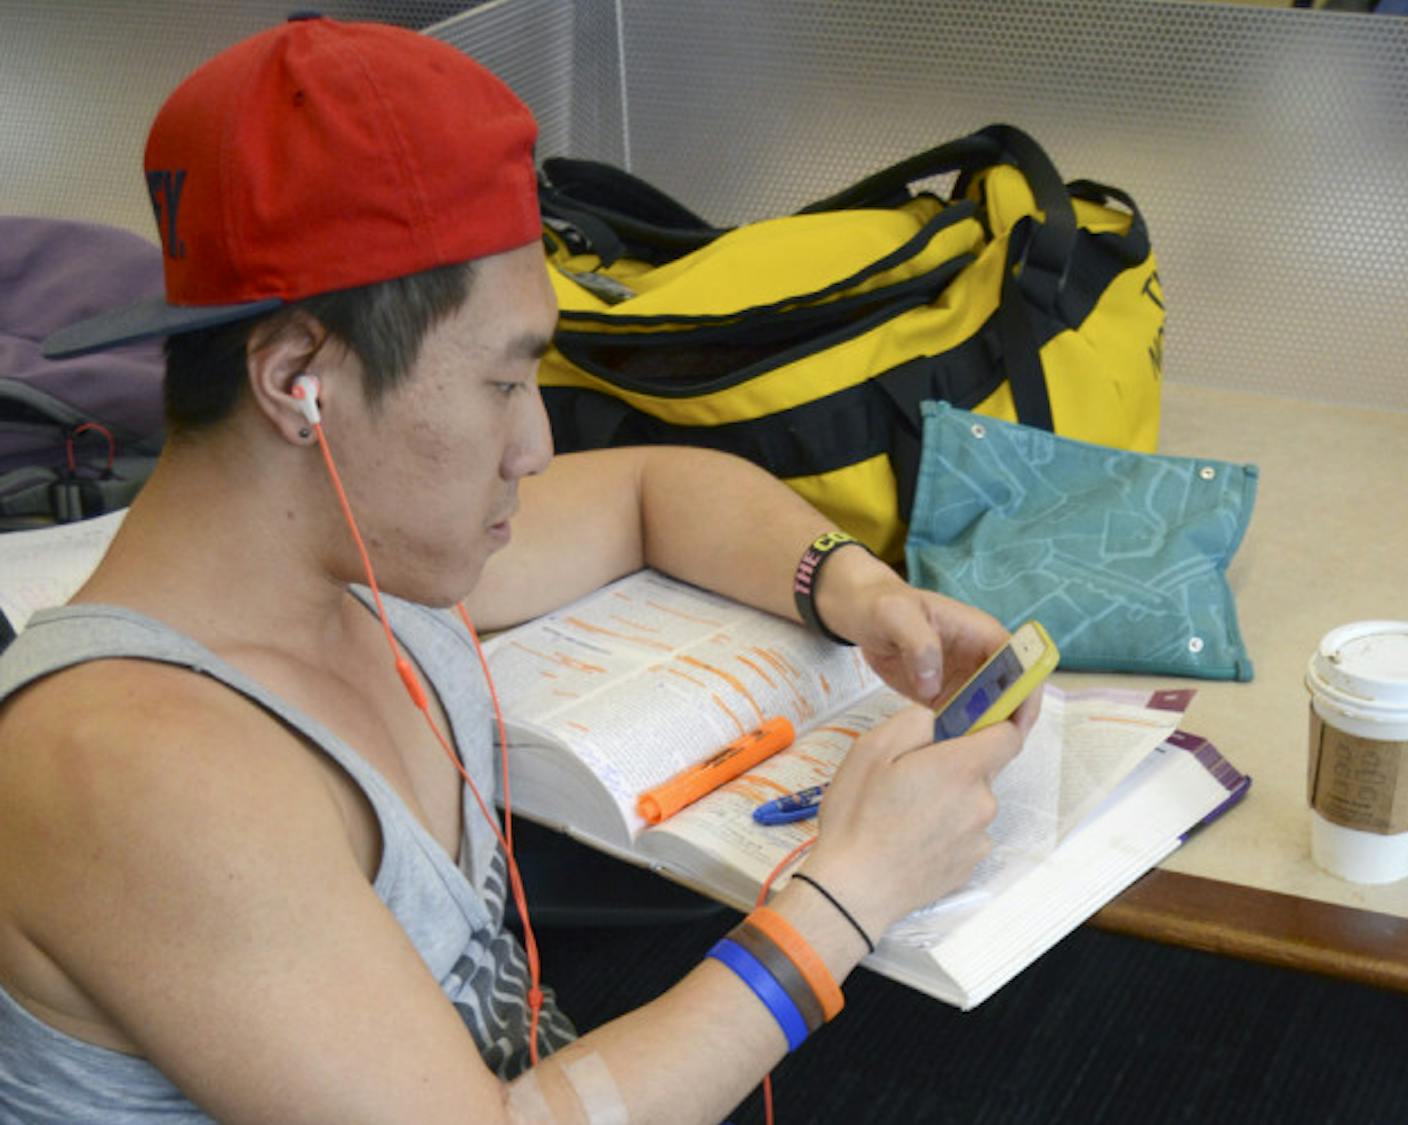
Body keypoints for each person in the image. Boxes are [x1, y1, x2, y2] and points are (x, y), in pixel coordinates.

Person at [0, 16, 1038, 1124]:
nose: (535, 445)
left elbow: (652, 492)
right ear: (301, 379)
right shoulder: (134, 767)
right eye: (502, 384)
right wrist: (850, 894)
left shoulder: (351, 556)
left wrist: (861, 594)